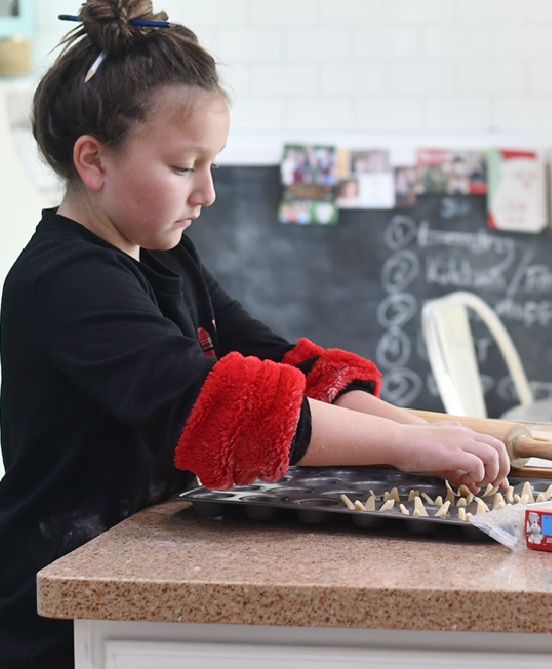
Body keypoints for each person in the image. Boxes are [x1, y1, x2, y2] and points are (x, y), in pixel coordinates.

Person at [0, 2, 509, 667]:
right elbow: (220, 405)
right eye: (185, 166)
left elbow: (276, 363)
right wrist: (407, 444)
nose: (207, 192)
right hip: (60, 601)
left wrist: (427, 434)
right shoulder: (67, 281)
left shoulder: (162, 255)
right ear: (94, 161)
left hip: (142, 572)